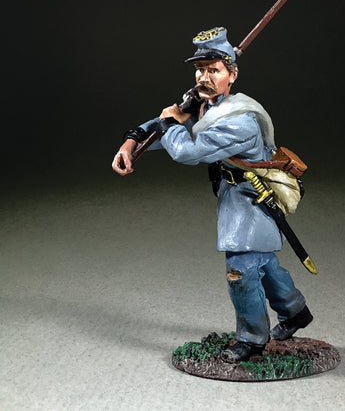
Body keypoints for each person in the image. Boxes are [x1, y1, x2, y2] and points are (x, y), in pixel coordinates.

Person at [112, 27, 313, 362]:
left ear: (232, 75)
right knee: (262, 261)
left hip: (251, 200)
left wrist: (170, 123)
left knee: (240, 268)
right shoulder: (207, 105)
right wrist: (132, 141)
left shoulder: (239, 120)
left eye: (214, 70)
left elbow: (187, 150)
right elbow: (168, 123)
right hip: (235, 196)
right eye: (200, 69)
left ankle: (252, 339)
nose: (204, 77)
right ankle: (295, 312)